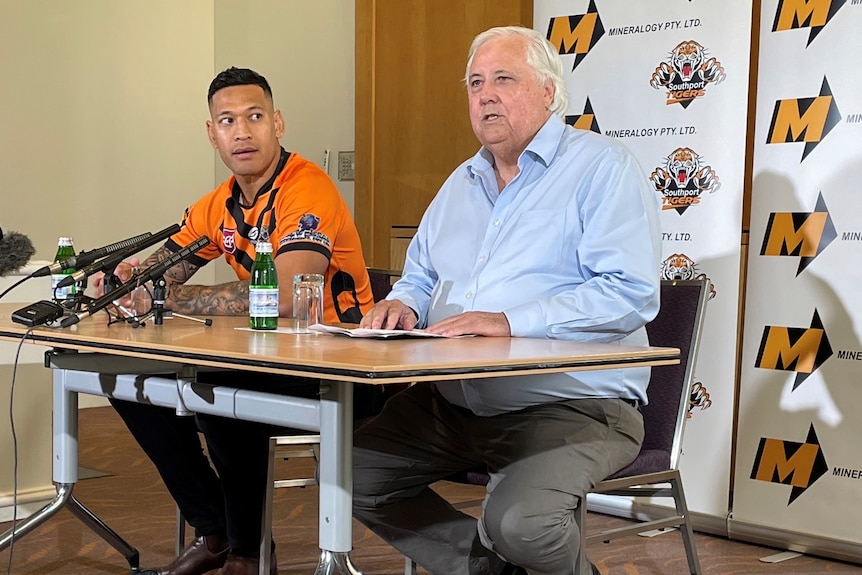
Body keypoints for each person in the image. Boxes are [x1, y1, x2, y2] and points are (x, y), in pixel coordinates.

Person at [352, 26, 662, 575]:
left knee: (522, 525)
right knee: (347, 472)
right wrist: (403, 303)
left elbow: (629, 292)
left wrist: (511, 322)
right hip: (456, 402)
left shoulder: (602, 167)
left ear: (549, 92)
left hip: (571, 404)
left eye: (503, 79)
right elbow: (420, 276)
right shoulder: (460, 183)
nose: (485, 94)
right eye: (475, 83)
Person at [101, 67, 376, 575]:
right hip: (268, 356)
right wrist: (126, 280)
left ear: (278, 123)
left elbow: (291, 295)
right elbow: (167, 266)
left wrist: (165, 295)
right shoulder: (221, 202)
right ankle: (217, 530)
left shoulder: (307, 188)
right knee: (123, 376)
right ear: (212, 134)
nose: (242, 132)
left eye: (254, 117)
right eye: (227, 121)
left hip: (338, 363)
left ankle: (246, 554)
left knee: (215, 386)